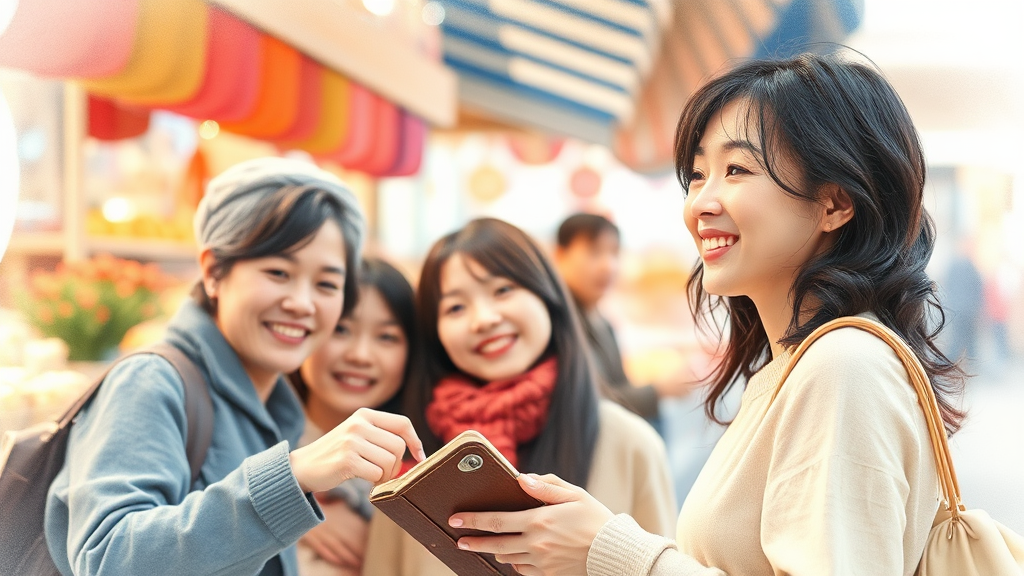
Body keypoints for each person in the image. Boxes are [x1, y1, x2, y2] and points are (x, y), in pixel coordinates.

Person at [444, 52, 967, 576]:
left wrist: (610, 551)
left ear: (834, 203)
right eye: (697, 174)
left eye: (736, 169)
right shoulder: (800, 364)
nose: (700, 203)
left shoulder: (844, 364)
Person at [44, 158, 424, 576]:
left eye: (327, 284)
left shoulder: (273, 409)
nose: (302, 303)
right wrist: (293, 476)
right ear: (213, 272)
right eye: (278, 272)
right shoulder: (153, 381)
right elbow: (107, 558)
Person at [362, 217, 677, 576]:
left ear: (548, 297)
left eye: (502, 290)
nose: (483, 319)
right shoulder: (413, 458)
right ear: (436, 335)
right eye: (455, 307)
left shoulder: (629, 444)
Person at [288, 257, 419, 576]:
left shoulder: (425, 465)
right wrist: (288, 511)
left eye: (386, 336)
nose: (360, 355)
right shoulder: (244, 443)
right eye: (341, 329)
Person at [553, 213, 697, 423]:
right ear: (560, 255)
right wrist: (659, 390)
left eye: (614, 253)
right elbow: (593, 403)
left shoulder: (600, 319)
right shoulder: (559, 319)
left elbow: (617, 387)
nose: (608, 265)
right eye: (594, 252)